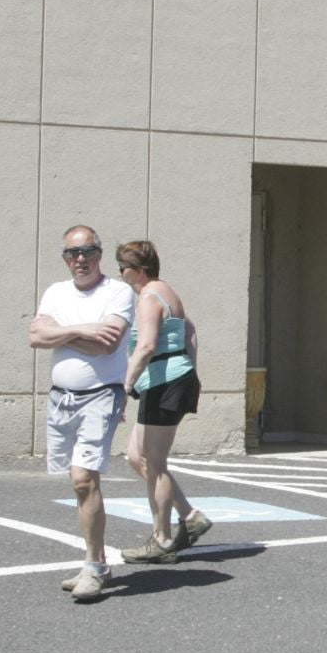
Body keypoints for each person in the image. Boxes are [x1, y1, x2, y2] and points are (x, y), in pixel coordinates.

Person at [28, 226, 135, 602]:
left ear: (100, 253)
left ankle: (95, 566)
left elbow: (107, 346)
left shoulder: (117, 292)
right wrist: (80, 329)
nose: (80, 259)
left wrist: (59, 331)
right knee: (79, 482)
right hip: (61, 399)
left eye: (87, 251)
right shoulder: (56, 292)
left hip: (100, 397)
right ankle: (96, 563)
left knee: (83, 479)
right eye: (72, 254)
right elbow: (35, 338)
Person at [114, 240, 212, 565]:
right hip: (169, 381)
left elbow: (146, 346)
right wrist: (190, 369)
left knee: (155, 464)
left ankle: (162, 540)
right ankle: (190, 515)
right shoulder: (167, 290)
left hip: (163, 383)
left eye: (123, 267)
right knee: (135, 457)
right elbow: (191, 331)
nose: (120, 273)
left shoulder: (147, 297)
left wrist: (124, 384)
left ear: (139, 270)